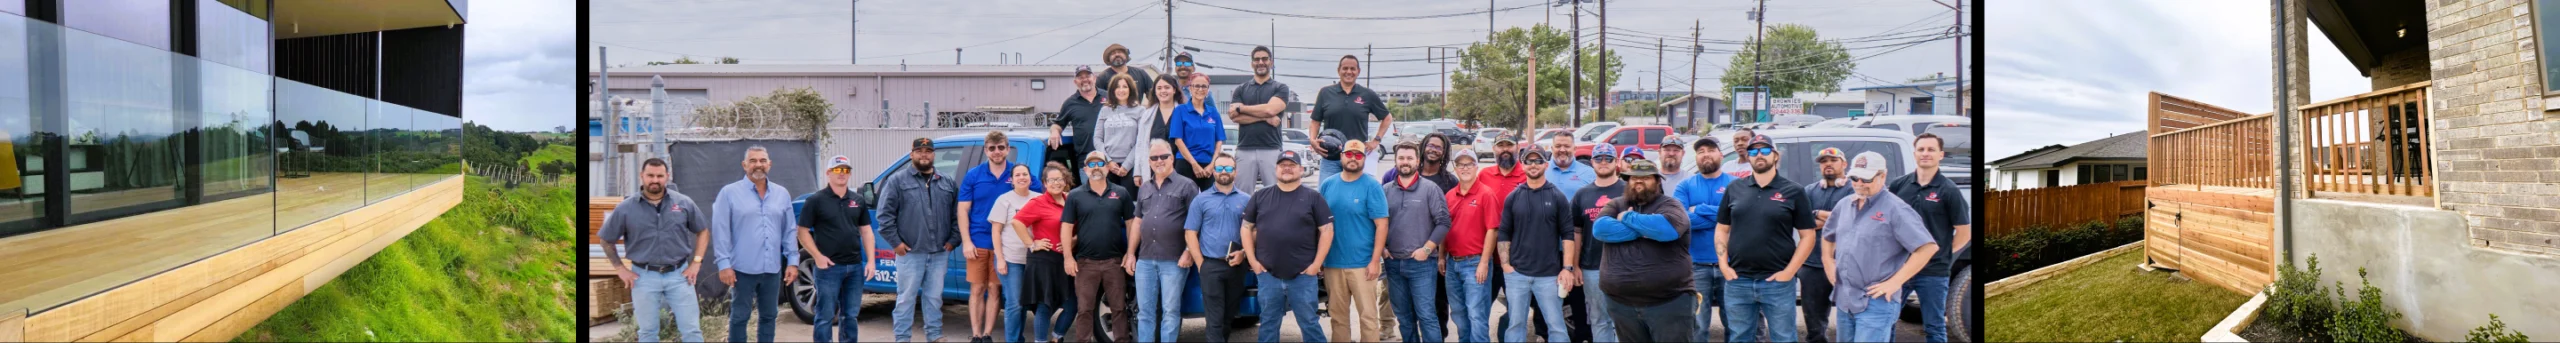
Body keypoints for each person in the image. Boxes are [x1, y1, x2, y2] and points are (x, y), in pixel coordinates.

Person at [1824, 152, 1942, 343]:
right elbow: (1828, 236)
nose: (1859, 183)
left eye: (1866, 178)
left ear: (1882, 176)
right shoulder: (1845, 204)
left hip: (1876, 303)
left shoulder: (1896, 209)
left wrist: (1895, 282)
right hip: (1846, 299)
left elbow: (1927, 248)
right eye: (1854, 178)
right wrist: (1828, 262)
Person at [1715, 134, 1819, 343]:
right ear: (1748, 156)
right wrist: (1724, 266)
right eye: (1753, 151)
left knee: (1784, 338)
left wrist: (1789, 272)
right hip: (1738, 281)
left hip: (1777, 283)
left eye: (1764, 150)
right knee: (1739, 338)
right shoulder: (1734, 188)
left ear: (1776, 155)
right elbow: (1722, 229)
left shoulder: (1794, 191)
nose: (1759, 155)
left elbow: (1808, 235)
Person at [600, 158, 713, 342]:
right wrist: (620, 269)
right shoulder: (626, 208)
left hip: (679, 275)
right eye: (650, 175)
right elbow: (606, 239)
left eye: (659, 176)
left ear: (667, 176)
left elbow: (703, 231)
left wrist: (696, 262)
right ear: (642, 176)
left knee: (692, 331)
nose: (655, 180)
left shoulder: (683, 203)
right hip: (643, 277)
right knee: (647, 333)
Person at [1589, 158, 1696, 342]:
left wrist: (1627, 217)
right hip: (1621, 303)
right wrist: (1646, 229)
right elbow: (1600, 230)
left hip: (1669, 302)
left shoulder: (1670, 205)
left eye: (1645, 177)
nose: (1638, 181)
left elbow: (1667, 230)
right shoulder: (1615, 204)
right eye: (1633, 178)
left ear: (1657, 181)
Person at [1243, 150, 1336, 343]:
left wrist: (1316, 265)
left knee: (1309, 323)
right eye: (1283, 165)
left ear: (1301, 170)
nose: (1287, 168)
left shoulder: (1314, 198)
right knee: (1268, 323)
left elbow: (1327, 231)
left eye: (1292, 165)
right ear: (1275, 169)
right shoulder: (1260, 196)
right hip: (1268, 275)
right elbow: (1246, 228)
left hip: (1303, 276)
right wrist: (1253, 262)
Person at [878, 138, 964, 343]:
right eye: (919, 151)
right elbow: (884, 216)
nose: (924, 154)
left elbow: (957, 215)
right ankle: (902, 338)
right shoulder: (897, 181)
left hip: (939, 253)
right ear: (912, 155)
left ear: (934, 155)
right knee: (906, 299)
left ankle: (934, 335)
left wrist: (954, 239)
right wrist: (896, 244)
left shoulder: (947, 182)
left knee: (934, 298)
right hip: (911, 253)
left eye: (928, 151)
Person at [1888, 133, 1971, 343]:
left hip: (1933, 271)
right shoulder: (1898, 186)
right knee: (1886, 320)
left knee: (1934, 326)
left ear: (1941, 155)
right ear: (1914, 153)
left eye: (1931, 149)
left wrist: (1942, 253)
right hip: (1899, 267)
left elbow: (1964, 232)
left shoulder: (1949, 190)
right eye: (1921, 149)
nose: (1925, 154)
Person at [714, 146, 800, 343]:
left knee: (769, 316)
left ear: (769, 164)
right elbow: (721, 231)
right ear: (744, 165)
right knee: (740, 317)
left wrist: (793, 262)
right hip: (742, 269)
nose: (758, 165)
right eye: (753, 161)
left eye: (762, 160)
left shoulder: (781, 194)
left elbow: (789, 230)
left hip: (772, 269)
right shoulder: (729, 193)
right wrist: (724, 264)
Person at [1498, 149, 1579, 343]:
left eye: (1538, 161)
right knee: (1515, 325)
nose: (1533, 165)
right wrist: (1505, 265)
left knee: (1556, 327)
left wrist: (1567, 268)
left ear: (1546, 164)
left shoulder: (1557, 196)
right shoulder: (1513, 197)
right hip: (1517, 274)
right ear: (1523, 165)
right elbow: (1504, 233)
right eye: (1528, 161)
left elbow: (1568, 235)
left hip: (1549, 275)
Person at [799, 156, 881, 343]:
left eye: (845, 170)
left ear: (850, 174)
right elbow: (802, 232)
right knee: (825, 315)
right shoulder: (815, 200)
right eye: (837, 170)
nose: (842, 174)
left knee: (850, 315)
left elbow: (866, 231)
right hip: (828, 268)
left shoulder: (858, 200)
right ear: (828, 173)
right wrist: (817, 257)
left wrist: (871, 261)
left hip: (855, 268)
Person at [962, 132, 1035, 343]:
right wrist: (966, 241)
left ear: (1007, 149)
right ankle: (976, 335)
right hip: (978, 241)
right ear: (986, 150)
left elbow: (1041, 197)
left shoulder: (1018, 173)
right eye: (992, 148)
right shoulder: (973, 175)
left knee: (995, 289)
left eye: (1001, 147)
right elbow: (962, 210)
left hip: (1006, 246)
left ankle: (987, 335)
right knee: (977, 288)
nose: (997, 152)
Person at [1318, 140, 1393, 343]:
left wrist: (1375, 261)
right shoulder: (1328, 184)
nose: (1353, 159)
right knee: (1338, 319)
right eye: (1349, 154)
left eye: (1358, 155)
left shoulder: (1372, 186)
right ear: (1342, 156)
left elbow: (1382, 225)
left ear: (1364, 159)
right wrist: (1320, 259)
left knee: (1368, 318)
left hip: (1363, 264)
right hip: (1333, 263)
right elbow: (1320, 224)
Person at [1669, 138, 1739, 343]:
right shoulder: (1685, 186)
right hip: (1696, 265)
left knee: (1735, 323)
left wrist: (1699, 208)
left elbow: (1739, 216)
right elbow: (1682, 221)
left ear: (1721, 155)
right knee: (1697, 325)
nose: (1706, 154)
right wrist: (1723, 216)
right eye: (1700, 151)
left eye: (1711, 150)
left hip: (1731, 264)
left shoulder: (1735, 184)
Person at [1064, 151, 1139, 343]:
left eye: (1100, 163)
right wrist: (1068, 257)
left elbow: (1131, 223)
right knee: (1084, 309)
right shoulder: (1075, 195)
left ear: (1107, 167)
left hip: (1114, 262)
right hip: (1085, 263)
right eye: (1091, 164)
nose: (1096, 167)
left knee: (1119, 308)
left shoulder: (1121, 193)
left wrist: (1130, 253)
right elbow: (1066, 226)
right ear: (1085, 169)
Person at [1381, 143, 1450, 343]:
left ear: (1418, 161)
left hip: (1422, 264)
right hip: (1393, 264)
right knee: (1404, 317)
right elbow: (1376, 223)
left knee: (1426, 315)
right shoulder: (1385, 190)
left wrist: (1427, 249)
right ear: (1395, 161)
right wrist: (1382, 249)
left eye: (1410, 158)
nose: (1405, 162)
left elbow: (1444, 222)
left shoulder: (1430, 189)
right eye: (1401, 158)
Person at [1133, 140, 1201, 343]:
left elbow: (1197, 222)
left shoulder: (1187, 185)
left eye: (1164, 156)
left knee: (1170, 312)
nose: (1159, 161)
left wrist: (1189, 251)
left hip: (1174, 260)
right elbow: (1138, 222)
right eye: (1154, 157)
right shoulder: (1144, 188)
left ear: (1172, 158)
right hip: (1145, 260)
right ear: (1149, 161)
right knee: (1144, 312)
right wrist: (1130, 254)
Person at [1565, 144, 1631, 343]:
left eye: (1608, 158)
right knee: (1598, 319)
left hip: (1625, 266)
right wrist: (1575, 266)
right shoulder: (1582, 194)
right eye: (1599, 158)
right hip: (1592, 266)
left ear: (1616, 162)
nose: (1603, 162)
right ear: (1592, 162)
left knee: (1625, 319)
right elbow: (1576, 232)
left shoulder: (1628, 190)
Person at [1185, 154, 1253, 343]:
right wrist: (1201, 264)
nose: (1224, 172)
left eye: (1229, 168)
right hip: (1210, 265)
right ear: (1213, 172)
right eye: (1220, 168)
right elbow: (1190, 233)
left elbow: (1253, 232)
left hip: (1236, 265)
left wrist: (1244, 254)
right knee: (1214, 319)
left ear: (1235, 172)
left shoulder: (1247, 200)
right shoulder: (1201, 200)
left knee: (1228, 317)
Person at [1016, 164, 1083, 343]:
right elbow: (1017, 222)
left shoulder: (1071, 200)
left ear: (1065, 181)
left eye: (1059, 179)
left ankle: (1056, 337)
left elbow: (1081, 227)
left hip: (1065, 259)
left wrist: (1073, 240)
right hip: (1043, 260)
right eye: (1051, 180)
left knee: (1072, 304)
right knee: (1044, 305)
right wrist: (1032, 244)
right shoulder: (1038, 202)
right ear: (1045, 183)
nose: (1056, 183)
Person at [1307, 55, 1392, 182]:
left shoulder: (1367, 94)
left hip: (1356, 157)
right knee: (1327, 192)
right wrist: (1313, 140)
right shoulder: (1325, 93)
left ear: (1358, 71)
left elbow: (1387, 118)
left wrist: (1376, 141)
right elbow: (1315, 121)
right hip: (1331, 158)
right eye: (1345, 68)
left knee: (1358, 192)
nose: (1349, 72)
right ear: (1339, 70)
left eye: (1352, 69)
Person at [1442, 153, 1498, 343]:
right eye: (1460, 164)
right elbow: (1444, 227)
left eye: (1469, 164)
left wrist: (1484, 262)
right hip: (1452, 263)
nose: (1465, 168)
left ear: (1476, 167)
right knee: (1458, 313)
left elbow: (1492, 230)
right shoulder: (1450, 195)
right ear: (1455, 168)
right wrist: (1441, 256)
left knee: (1476, 313)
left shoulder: (1486, 194)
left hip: (1475, 263)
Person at [1798, 147, 1852, 343]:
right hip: (1813, 264)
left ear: (1844, 164)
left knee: (1851, 316)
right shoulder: (1809, 191)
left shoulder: (1854, 188)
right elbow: (1803, 224)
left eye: (1833, 160)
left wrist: (1817, 213)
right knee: (1814, 322)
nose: (1828, 164)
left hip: (1847, 264)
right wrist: (1835, 219)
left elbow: (1853, 220)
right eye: (1823, 161)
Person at [1227, 46, 1295, 191]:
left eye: (1264, 59)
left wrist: (1241, 108)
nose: (1260, 62)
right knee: (1242, 195)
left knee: (1275, 194)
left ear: (1271, 62)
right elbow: (1234, 116)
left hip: (1271, 148)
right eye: (1257, 59)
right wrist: (1264, 118)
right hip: (1245, 148)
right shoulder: (1241, 89)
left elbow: (1271, 110)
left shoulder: (1280, 88)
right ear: (1252, 63)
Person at [990, 163, 1041, 343]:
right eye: (1017, 175)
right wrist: (1000, 259)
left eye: (1025, 174)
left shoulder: (1039, 198)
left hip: (1033, 260)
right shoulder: (1004, 200)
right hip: (1011, 259)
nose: (1021, 178)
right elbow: (996, 231)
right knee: (1014, 304)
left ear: (1030, 178)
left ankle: (1019, 338)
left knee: (1024, 303)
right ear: (1011, 180)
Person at [1097, 73, 1155, 192]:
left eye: (1125, 86)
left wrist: (1127, 165)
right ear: (1112, 90)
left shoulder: (1140, 111)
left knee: (1129, 201)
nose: (1121, 90)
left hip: (1131, 167)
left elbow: (1141, 140)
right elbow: (1097, 138)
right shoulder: (1105, 110)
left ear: (1131, 89)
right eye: (1117, 87)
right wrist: (1109, 161)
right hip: (1108, 166)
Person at [1170, 73, 1227, 190]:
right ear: (1190, 88)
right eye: (1196, 86)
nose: (1200, 89)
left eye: (1204, 86)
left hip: (1208, 166)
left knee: (1210, 199)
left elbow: (1219, 141)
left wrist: (1212, 164)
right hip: (1186, 163)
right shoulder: (1180, 110)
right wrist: (1194, 164)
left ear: (1208, 90)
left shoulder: (1213, 112)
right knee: (1185, 199)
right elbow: (1178, 140)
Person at [1053, 66, 1103, 181]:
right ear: (1075, 82)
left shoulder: (1108, 98)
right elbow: (1058, 123)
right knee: (1090, 193)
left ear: (1094, 78)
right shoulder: (1070, 103)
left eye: (1088, 76)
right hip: (1086, 162)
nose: (1084, 79)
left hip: (1109, 159)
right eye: (1080, 77)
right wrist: (1055, 131)